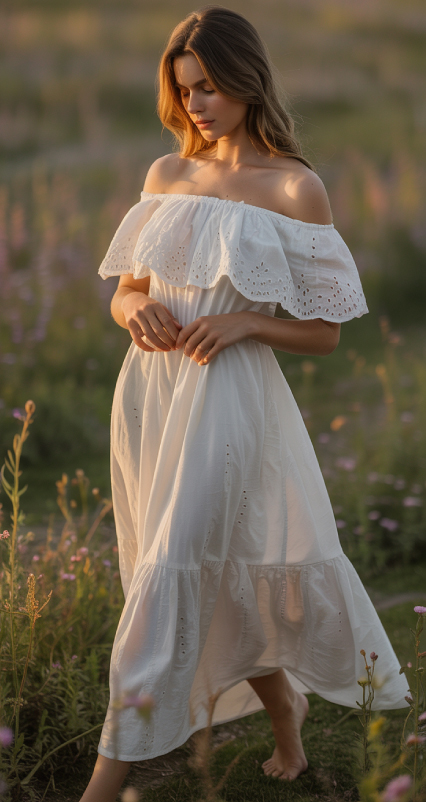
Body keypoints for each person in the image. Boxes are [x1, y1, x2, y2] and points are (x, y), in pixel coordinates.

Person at [79, 7, 409, 801]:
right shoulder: (167, 176)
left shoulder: (296, 188)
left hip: (228, 404)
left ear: (248, 80)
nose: (196, 104)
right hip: (153, 396)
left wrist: (246, 322)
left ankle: (101, 782)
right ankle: (285, 719)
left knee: (173, 567)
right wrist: (137, 311)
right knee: (219, 571)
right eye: (185, 88)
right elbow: (125, 292)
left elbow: (326, 333)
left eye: (211, 86)